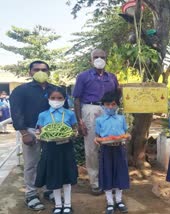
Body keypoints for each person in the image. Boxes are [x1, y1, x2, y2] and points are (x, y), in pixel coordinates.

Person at [10, 61, 69, 211]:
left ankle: (50, 189)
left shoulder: (56, 89)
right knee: (31, 164)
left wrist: (66, 131)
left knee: (51, 160)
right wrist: (23, 133)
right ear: (30, 72)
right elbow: (16, 112)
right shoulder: (21, 90)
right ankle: (31, 194)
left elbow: (66, 111)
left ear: (48, 72)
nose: (40, 71)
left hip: (53, 131)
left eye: (44, 69)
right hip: (31, 131)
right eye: (36, 69)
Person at [73, 49, 120, 195]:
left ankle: (110, 180)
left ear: (107, 59)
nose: (99, 59)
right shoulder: (83, 76)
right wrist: (79, 120)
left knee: (111, 143)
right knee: (92, 146)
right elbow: (76, 99)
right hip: (90, 109)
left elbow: (117, 95)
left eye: (102, 56)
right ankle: (95, 182)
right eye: (96, 57)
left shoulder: (112, 77)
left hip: (109, 109)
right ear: (90, 60)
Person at [35, 87, 78, 214]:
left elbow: (74, 129)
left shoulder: (69, 113)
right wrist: (39, 136)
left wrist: (74, 134)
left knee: (67, 176)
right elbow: (40, 131)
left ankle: (68, 204)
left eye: (59, 98)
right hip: (50, 149)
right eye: (53, 98)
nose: (56, 100)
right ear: (48, 99)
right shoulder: (43, 115)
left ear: (64, 99)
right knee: (54, 176)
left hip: (66, 149)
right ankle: (58, 205)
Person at [94, 92, 130, 214]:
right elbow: (97, 137)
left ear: (117, 105)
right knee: (107, 173)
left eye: (113, 104)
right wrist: (99, 139)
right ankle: (109, 202)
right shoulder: (99, 120)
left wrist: (127, 136)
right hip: (106, 150)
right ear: (103, 105)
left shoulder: (122, 118)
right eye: (107, 104)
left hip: (119, 149)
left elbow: (126, 134)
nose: (110, 107)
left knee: (120, 173)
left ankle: (119, 200)